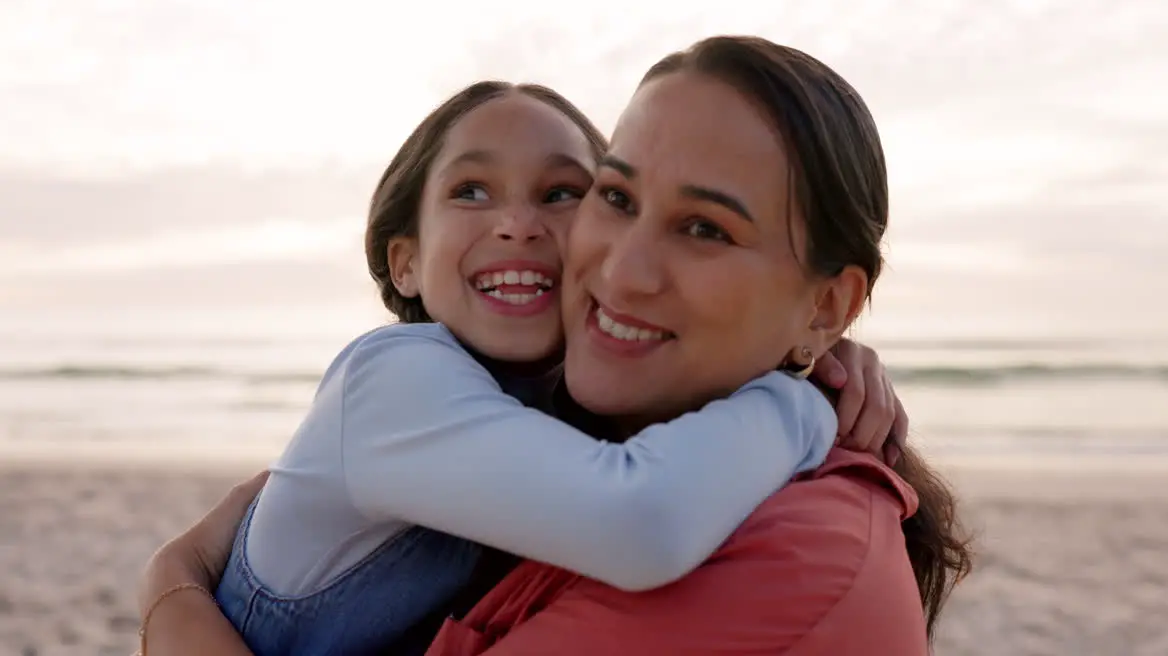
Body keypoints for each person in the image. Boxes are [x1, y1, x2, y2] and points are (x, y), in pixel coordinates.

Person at [140, 35, 968, 655]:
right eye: (619, 197)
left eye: (566, 192)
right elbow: (636, 516)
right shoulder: (397, 379)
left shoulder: (557, 420)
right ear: (406, 260)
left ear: (831, 302)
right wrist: (794, 399)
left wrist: (815, 354)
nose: (519, 224)